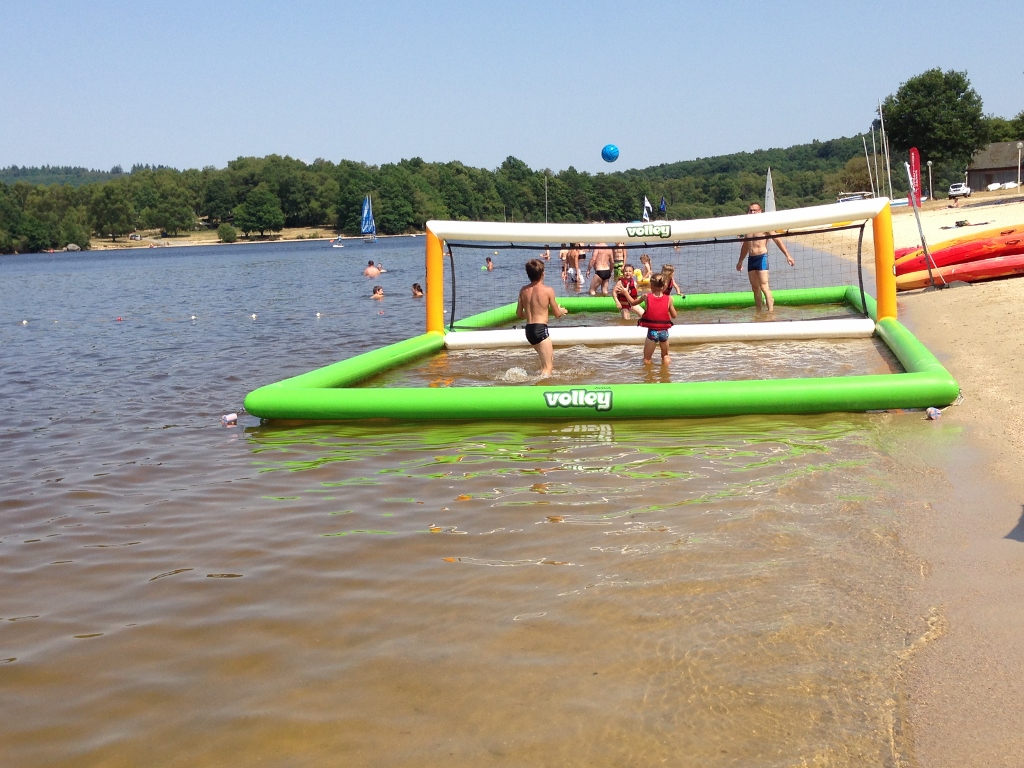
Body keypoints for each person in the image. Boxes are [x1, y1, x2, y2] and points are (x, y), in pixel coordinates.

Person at [735, 201, 794, 311]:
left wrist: (787, 255)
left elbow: (777, 240)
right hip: (751, 259)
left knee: (764, 286)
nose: (752, 212)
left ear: (760, 211)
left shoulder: (765, 225)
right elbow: (745, 246)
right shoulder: (747, 228)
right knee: (755, 288)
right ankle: (759, 313)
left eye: (755, 210)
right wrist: (740, 261)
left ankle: (770, 312)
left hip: (761, 257)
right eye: (750, 210)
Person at [516, 259, 568, 376]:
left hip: (529, 330)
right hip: (540, 330)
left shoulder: (523, 290)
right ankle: (540, 386)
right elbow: (557, 314)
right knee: (548, 367)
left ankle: (540, 380)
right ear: (543, 273)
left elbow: (519, 313)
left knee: (547, 361)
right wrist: (561, 311)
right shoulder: (548, 290)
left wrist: (532, 316)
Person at [622, 274, 676, 365]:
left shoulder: (646, 296)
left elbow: (633, 303)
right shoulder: (669, 299)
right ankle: (666, 372)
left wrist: (625, 293)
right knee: (666, 355)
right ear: (663, 286)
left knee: (647, 359)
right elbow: (674, 315)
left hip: (653, 332)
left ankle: (648, 374)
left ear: (651, 285)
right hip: (664, 332)